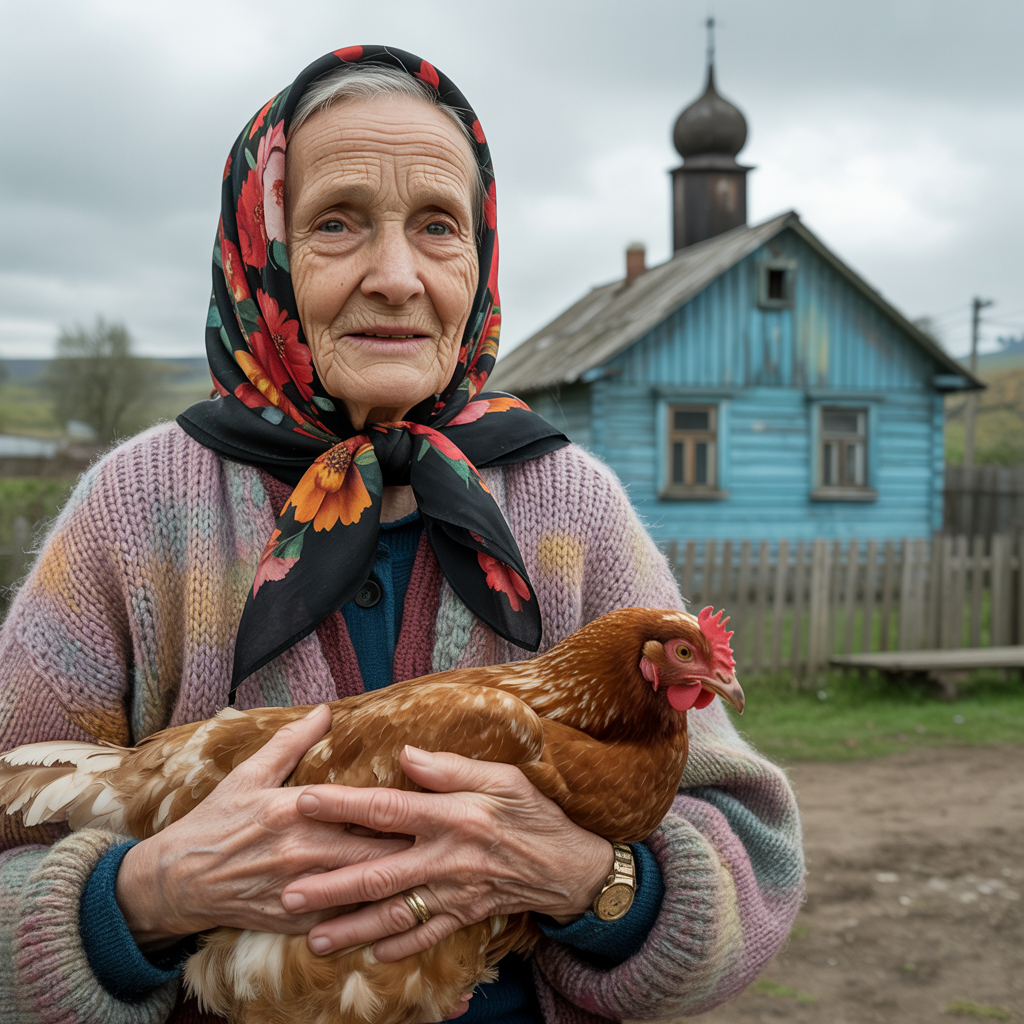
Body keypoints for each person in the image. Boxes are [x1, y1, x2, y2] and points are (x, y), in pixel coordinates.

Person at [0, 46, 804, 1024]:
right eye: (337, 222)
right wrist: (149, 897)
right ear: (265, 251)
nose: (396, 276)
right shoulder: (135, 510)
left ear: (481, 256)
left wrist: (589, 879)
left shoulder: (571, 504)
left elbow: (750, 864)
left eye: (437, 226)